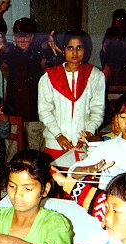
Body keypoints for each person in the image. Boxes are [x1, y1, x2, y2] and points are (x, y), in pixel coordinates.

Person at [38, 30, 105, 160]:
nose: (75, 53)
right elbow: (44, 111)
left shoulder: (95, 75)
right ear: (63, 50)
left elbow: (98, 109)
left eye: (79, 47)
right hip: (56, 143)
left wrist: (88, 134)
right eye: (70, 48)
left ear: (85, 50)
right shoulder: (50, 77)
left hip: (84, 142)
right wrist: (58, 135)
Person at [0, 17, 58, 158]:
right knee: (11, 153)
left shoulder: (41, 52)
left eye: (27, 35)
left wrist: (47, 41)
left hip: (35, 112)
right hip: (13, 111)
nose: (23, 39)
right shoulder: (8, 52)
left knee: (35, 152)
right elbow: (5, 72)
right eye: (19, 35)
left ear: (33, 37)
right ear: (14, 36)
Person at [100, 8, 126, 86]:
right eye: (117, 19)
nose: (119, 21)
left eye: (122, 19)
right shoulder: (110, 32)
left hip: (125, 68)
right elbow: (104, 50)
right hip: (111, 67)